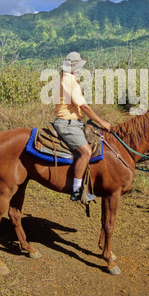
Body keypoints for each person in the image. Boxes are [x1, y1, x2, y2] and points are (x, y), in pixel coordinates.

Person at [53, 52, 111, 201]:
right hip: (67, 123)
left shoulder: (67, 78)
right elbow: (84, 106)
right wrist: (101, 122)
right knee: (86, 151)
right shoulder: (69, 81)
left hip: (73, 121)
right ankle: (76, 190)